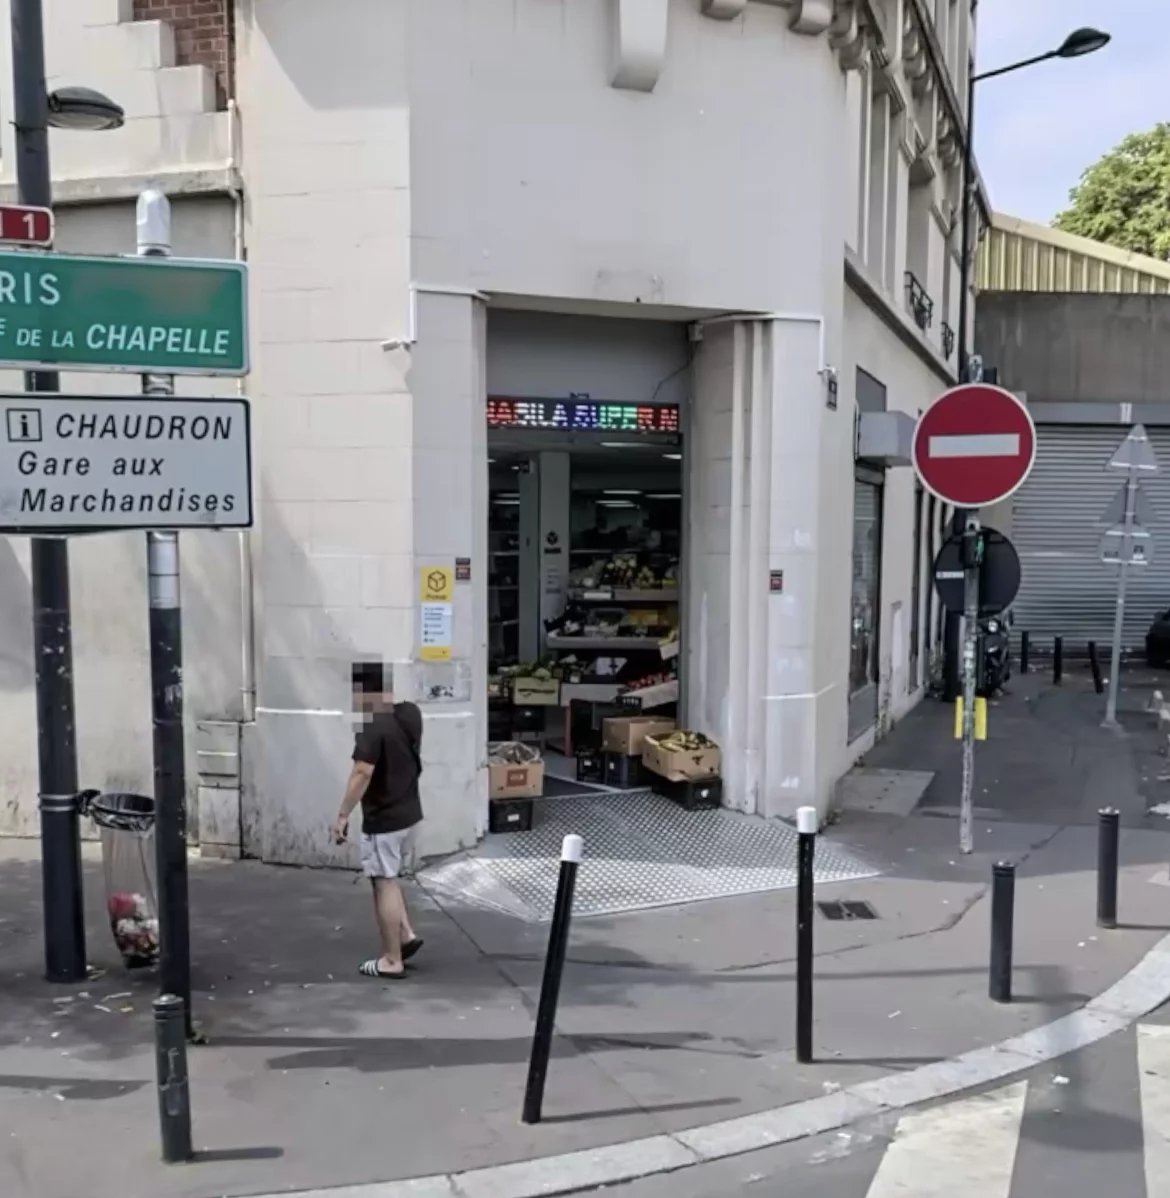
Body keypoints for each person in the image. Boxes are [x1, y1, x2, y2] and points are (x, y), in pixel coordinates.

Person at [332, 663, 424, 979]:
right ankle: (406, 935)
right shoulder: (410, 713)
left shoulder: (372, 728)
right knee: (390, 876)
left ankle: (391, 960)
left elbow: (362, 772)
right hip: (410, 814)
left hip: (384, 819)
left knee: (383, 882)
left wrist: (343, 813)